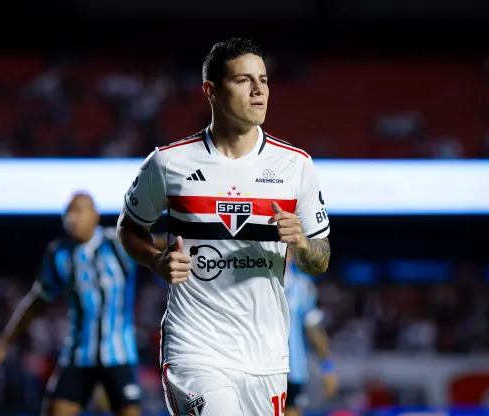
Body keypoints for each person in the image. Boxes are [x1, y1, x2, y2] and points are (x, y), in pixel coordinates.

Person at [116, 37, 332, 416]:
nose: (258, 90)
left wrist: (300, 243)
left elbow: (321, 260)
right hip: (194, 348)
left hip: (266, 357)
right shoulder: (169, 163)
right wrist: (154, 260)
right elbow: (129, 229)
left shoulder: (296, 166)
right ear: (211, 91)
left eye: (263, 80)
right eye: (243, 80)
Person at [0, 193, 141, 416]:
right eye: (67, 212)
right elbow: (37, 302)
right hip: (79, 353)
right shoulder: (58, 253)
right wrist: (2, 346)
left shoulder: (118, 244)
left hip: (120, 353)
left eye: (78, 211)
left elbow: (159, 244)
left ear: (95, 216)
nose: (71, 218)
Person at [284, 251, 339, 416]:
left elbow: (314, 331)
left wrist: (327, 368)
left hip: (292, 370)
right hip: (254, 365)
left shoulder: (302, 287)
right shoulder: (254, 283)